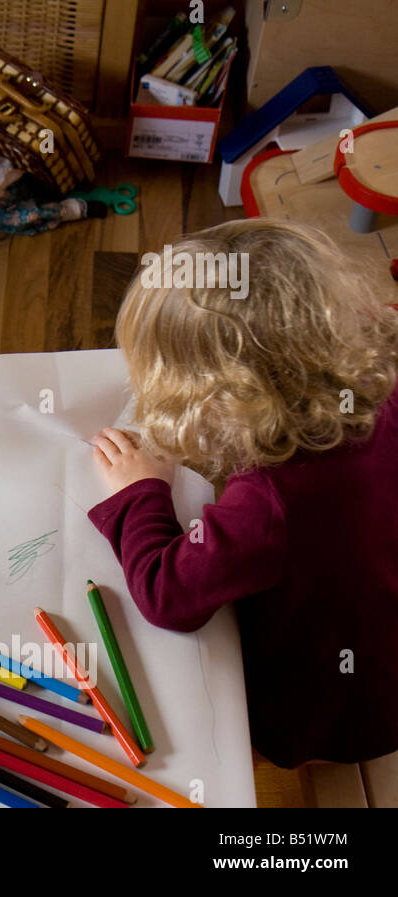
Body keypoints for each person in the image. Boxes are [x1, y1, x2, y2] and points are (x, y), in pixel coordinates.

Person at [89, 219, 398, 768]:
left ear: (225, 398)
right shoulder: (383, 375)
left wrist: (141, 491)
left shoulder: (270, 504)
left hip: (342, 708)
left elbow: (169, 595)